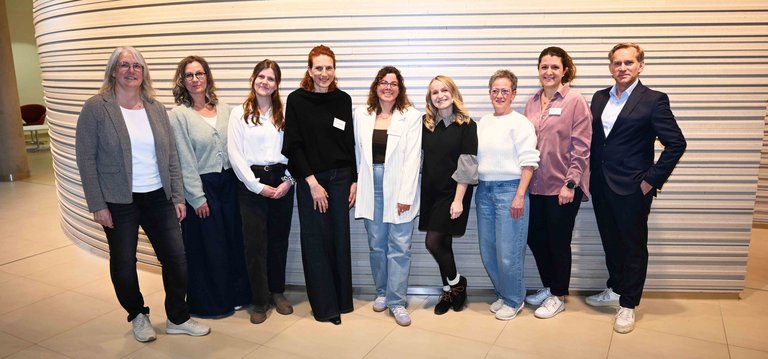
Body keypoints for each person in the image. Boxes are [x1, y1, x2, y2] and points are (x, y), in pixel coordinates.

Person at [75, 46, 210, 343]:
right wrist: (97, 204)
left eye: (137, 66)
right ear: (113, 70)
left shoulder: (155, 108)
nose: (131, 70)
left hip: (158, 197)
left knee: (176, 259)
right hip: (118, 201)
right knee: (124, 262)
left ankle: (177, 317)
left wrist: (176, 196)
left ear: (144, 72)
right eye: (124, 65)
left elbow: (171, 156)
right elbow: (85, 159)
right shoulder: (97, 108)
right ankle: (137, 314)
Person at [587, 43, 686, 334]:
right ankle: (616, 289)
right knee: (610, 241)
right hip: (601, 185)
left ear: (640, 65)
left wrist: (650, 180)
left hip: (632, 188)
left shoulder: (653, 100)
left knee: (632, 246)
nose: (622, 68)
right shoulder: (599, 97)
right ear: (610, 67)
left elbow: (676, 143)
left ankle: (628, 305)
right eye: (617, 63)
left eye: (628, 62)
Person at [169, 55, 251, 319]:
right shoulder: (179, 116)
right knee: (208, 246)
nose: (195, 79)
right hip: (202, 187)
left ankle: (237, 295)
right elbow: (183, 158)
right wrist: (197, 197)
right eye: (189, 75)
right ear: (182, 81)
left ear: (207, 77)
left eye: (200, 74)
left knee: (232, 241)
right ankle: (211, 303)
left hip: (229, 184)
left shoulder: (226, 109)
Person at [282, 45, 356, 325]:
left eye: (329, 68)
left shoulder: (343, 100)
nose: (324, 73)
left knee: (339, 239)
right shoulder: (297, 100)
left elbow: (348, 144)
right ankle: (325, 308)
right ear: (310, 70)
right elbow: (293, 145)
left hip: (341, 179)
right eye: (318, 68)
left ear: (334, 70)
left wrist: (355, 180)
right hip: (312, 180)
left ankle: (341, 301)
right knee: (315, 241)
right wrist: (311, 182)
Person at [523, 47, 592, 319]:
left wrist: (571, 183)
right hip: (535, 186)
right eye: (544, 67)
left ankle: (559, 295)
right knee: (535, 239)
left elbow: (582, 145)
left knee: (558, 242)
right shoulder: (531, 102)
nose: (548, 72)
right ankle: (550, 286)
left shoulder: (575, 101)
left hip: (562, 187)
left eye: (554, 67)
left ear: (565, 70)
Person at [353, 66, 422, 326]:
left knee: (400, 248)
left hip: (400, 186)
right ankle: (381, 292)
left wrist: (406, 194)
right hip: (371, 186)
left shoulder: (411, 116)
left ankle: (397, 301)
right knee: (377, 245)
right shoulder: (362, 114)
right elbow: (357, 153)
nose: (388, 87)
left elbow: (413, 158)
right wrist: (357, 184)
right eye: (383, 82)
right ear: (376, 86)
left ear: (400, 88)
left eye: (393, 83)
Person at [228, 59, 295, 324]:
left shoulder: (285, 114)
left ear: (277, 84)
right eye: (261, 76)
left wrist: (288, 181)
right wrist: (256, 186)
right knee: (255, 244)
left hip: (282, 180)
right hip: (251, 183)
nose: (265, 82)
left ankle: (277, 292)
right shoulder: (238, 113)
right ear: (253, 79)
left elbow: (295, 151)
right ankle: (259, 299)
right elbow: (235, 154)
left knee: (279, 241)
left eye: (271, 78)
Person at [476, 70, 539, 321]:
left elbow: (529, 162)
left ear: (513, 94)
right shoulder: (483, 122)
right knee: (488, 249)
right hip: (484, 190)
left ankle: (514, 300)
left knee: (509, 251)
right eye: (495, 91)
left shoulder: (520, 123)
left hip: (511, 190)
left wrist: (519, 195)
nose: (499, 95)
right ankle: (503, 293)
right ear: (489, 93)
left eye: (505, 91)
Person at [420, 75, 478, 315]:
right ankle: (449, 290)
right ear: (430, 97)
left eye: (444, 90)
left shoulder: (467, 124)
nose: (440, 95)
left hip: (454, 191)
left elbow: (467, 164)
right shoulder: (426, 123)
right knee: (443, 243)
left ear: (453, 92)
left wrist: (458, 200)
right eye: (435, 92)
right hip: (431, 191)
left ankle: (457, 284)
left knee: (432, 241)